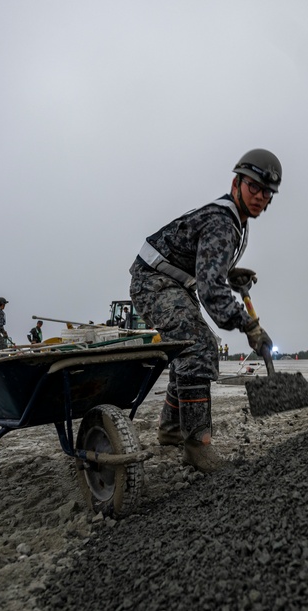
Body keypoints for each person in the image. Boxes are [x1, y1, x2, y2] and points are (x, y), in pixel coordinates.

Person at [129, 148, 281, 472]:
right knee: (198, 344)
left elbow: (205, 262)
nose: (259, 196)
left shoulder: (236, 220)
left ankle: (170, 429)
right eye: (253, 187)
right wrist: (247, 325)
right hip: (154, 280)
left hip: (174, 282)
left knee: (187, 347)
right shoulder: (223, 222)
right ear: (236, 182)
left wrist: (228, 271)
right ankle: (197, 446)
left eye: (267, 192)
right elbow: (212, 292)